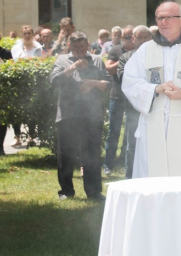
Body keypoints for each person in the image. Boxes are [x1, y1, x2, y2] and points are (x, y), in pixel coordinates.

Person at [122, 1, 181, 178]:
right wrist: (155, 89)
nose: (163, 22)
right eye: (160, 18)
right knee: (152, 174)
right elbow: (130, 82)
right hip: (153, 124)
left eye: (169, 18)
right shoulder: (146, 49)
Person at [50, 31, 109, 200]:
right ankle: (66, 192)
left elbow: (108, 84)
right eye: (75, 47)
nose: (79, 50)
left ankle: (94, 192)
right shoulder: (62, 60)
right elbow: (53, 81)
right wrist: (71, 68)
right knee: (66, 155)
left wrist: (94, 83)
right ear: (70, 46)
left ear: (88, 45)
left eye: (82, 47)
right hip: (67, 115)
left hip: (92, 115)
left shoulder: (97, 60)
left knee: (92, 155)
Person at [117, 25, 153, 178]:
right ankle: (130, 179)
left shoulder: (157, 57)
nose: (143, 40)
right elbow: (123, 79)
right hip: (134, 109)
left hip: (154, 108)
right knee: (132, 144)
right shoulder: (126, 58)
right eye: (139, 37)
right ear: (133, 39)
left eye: (146, 37)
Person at [103, 25, 134, 176]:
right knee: (113, 132)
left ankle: (124, 162)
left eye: (132, 37)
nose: (130, 40)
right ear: (122, 38)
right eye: (127, 37)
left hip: (133, 98)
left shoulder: (140, 51)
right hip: (117, 95)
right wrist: (124, 60)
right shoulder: (116, 50)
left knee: (130, 132)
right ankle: (108, 165)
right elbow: (108, 68)